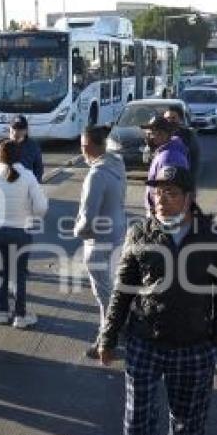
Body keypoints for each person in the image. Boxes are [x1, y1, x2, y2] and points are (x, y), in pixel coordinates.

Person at [97, 165, 217, 435]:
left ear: (190, 198)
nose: (161, 199)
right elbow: (122, 291)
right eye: (156, 192)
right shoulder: (140, 233)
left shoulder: (213, 233)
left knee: (189, 415)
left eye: (170, 192)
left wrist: (216, 336)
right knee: (138, 415)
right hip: (145, 340)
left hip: (193, 344)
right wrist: (108, 337)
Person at [0, 139, 48, 328]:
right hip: (21, 231)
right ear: (19, 156)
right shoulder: (29, 176)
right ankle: (20, 316)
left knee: (1, 273)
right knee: (19, 275)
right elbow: (41, 208)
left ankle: (2, 313)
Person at [74, 125, 127, 358]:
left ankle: (106, 340)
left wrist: (78, 232)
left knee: (104, 295)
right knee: (115, 287)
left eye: (84, 147)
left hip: (98, 242)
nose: (82, 151)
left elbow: (87, 218)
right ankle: (120, 328)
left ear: (91, 146)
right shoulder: (117, 164)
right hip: (118, 235)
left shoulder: (96, 175)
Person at [141, 116, 189, 217]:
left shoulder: (167, 158)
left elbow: (169, 191)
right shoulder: (166, 152)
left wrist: (156, 212)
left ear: (162, 134)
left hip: (164, 213)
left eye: (150, 134)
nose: (148, 137)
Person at [163, 105, 200, 183]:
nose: (170, 121)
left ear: (180, 119)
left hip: (182, 178)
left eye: (173, 118)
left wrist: (191, 180)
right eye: (167, 118)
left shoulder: (188, 135)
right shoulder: (159, 135)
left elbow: (194, 159)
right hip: (163, 178)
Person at [8, 115, 44, 183]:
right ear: (9, 128)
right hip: (6, 185)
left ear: (26, 130)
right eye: (14, 128)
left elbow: (39, 169)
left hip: (25, 185)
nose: (16, 132)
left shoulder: (33, 147)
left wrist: (34, 185)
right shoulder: (1, 145)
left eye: (20, 129)